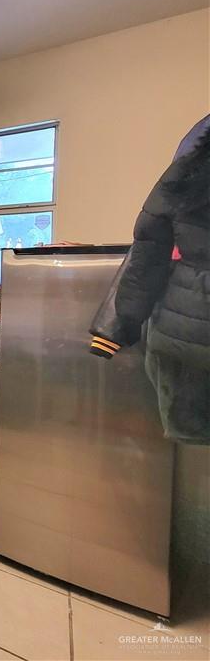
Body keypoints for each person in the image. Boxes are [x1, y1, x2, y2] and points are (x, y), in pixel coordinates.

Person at [89, 114, 210, 444]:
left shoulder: (186, 171)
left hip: (180, 341)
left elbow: (147, 253)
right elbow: (149, 253)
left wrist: (117, 328)